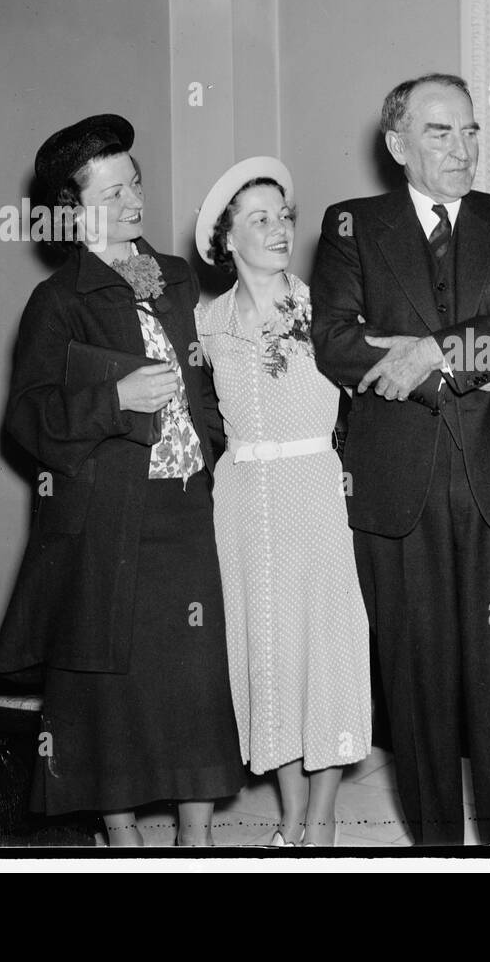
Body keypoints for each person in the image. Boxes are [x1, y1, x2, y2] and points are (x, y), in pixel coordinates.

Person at [310, 73, 490, 845]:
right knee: (416, 684)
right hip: (399, 489)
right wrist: (474, 354)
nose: (462, 150)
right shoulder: (353, 224)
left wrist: (431, 349)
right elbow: (334, 341)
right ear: (397, 145)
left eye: (470, 132)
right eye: (439, 133)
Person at [0, 114, 241, 846]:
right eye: (115, 189)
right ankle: (121, 838)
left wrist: (213, 438)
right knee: (109, 689)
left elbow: (208, 374)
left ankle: (196, 841)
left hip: (188, 506)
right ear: (74, 209)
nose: (135, 198)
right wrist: (114, 400)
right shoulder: (58, 301)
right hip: (109, 519)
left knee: (194, 678)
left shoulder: (176, 276)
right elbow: (25, 420)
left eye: (135, 182)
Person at [194, 157, 373, 848]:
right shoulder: (206, 326)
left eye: (283, 216)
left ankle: (322, 816)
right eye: (259, 219)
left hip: (315, 492)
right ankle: (293, 811)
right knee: (267, 652)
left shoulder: (323, 307)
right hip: (240, 503)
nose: (278, 229)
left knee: (324, 646)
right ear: (227, 238)